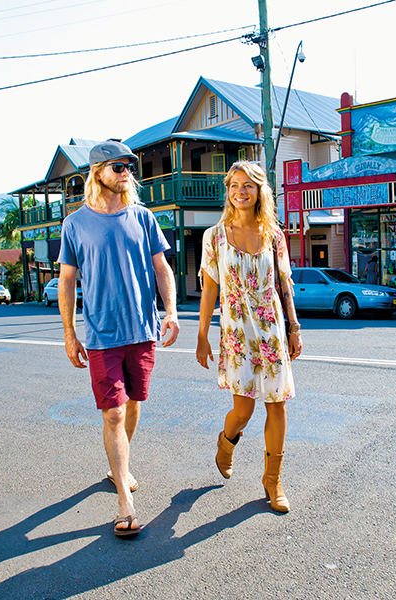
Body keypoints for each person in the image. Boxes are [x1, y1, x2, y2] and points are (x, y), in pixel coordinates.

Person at [58, 139, 179, 538]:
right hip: (101, 334)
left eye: (129, 166)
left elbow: (162, 268)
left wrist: (172, 312)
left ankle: (118, 467)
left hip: (142, 330)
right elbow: (67, 281)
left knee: (134, 404)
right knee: (113, 412)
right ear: (97, 173)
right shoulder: (74, 223)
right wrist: (70, 333)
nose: (126, 172)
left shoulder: (143, 218)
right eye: (117, 167)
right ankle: (125, 504)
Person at [195, 161, 302, 513]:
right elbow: (209, 288)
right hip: (237, 332)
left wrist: (294, 328)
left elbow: (284, 285)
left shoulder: (274, 235)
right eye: (234, 186)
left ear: (260, 191)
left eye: (248, 186)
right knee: (243, 411)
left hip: (271, 331)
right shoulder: (215, 236)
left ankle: (273, 480)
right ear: (228, 191)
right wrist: (202, 335)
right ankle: (227, 442)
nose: (241, 192)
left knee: (277, 404)